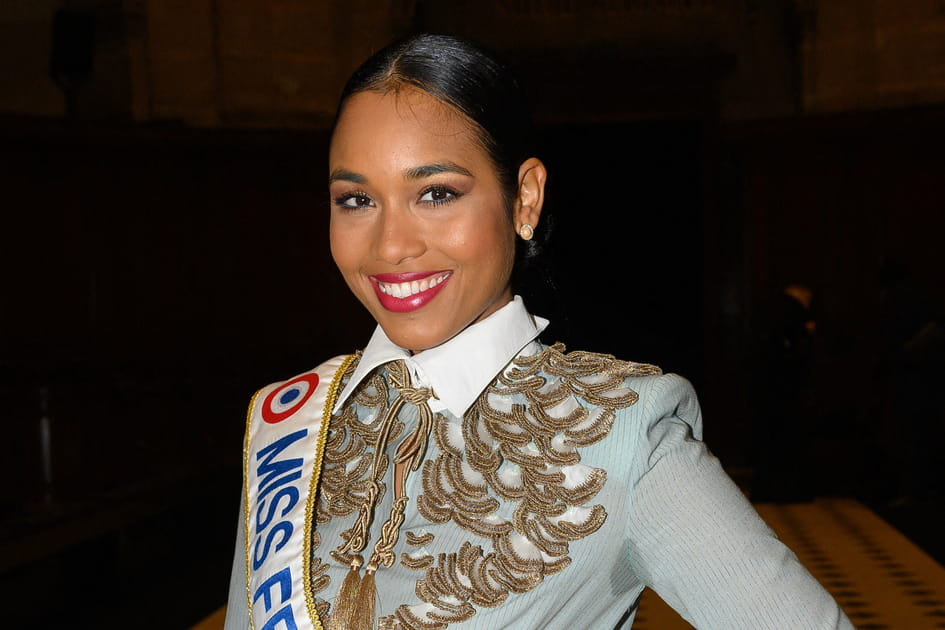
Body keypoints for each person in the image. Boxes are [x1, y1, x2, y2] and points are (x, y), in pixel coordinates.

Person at [224, 33, 853, 630]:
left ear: (524, 198)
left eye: (437, 194)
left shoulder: (620, 429)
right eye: (356, 200)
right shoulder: (290, 420)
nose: (390, 246)